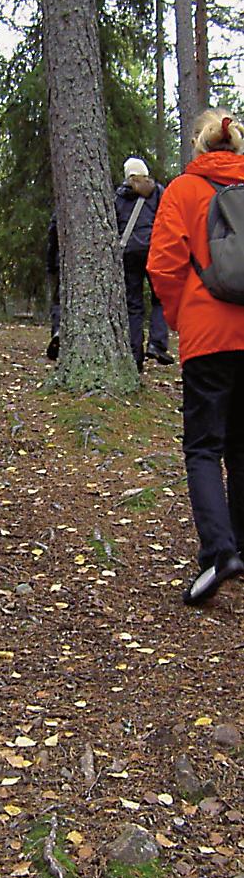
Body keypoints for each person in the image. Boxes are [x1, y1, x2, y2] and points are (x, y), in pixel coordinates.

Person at [147, 108, 244, 605]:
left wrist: (181, 317)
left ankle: (220, 552)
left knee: (204, 447)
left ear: (201, 147)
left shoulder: (183, 191)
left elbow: (163, 264)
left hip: (208, 336)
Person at [115, 157, 174, 371]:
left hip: (128, 252)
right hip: (154, 249)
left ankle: (135, 354)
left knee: (134, 304)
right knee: (160, 297)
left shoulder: (120, 195)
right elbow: (168, 218)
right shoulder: (157, 191)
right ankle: (157, 344)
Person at [45, 212, 60, 360]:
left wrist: (50, 264)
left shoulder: (61, 210)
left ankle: (57, 330)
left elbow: (52, 238)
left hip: (61, 261)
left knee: (59, 301)